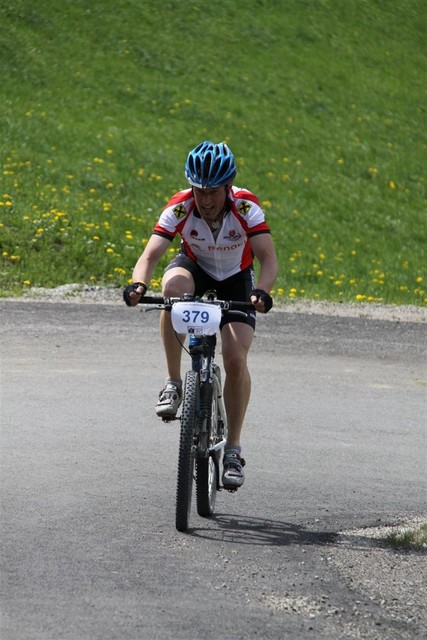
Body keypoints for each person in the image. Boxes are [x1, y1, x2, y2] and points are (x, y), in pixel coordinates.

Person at [123, 141, 278, 490]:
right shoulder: (181, 206)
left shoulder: (246, 206)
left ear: (228, 187)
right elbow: (150, 255)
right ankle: (173, 383)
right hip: (196, 267)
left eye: (213, 192)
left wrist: (262, 291)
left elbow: (268, 258)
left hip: (237, 278)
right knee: (172, 291)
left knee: (236, 358)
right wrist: (137, 284)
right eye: (199, 191)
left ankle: (233, 449)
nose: (205, 200)